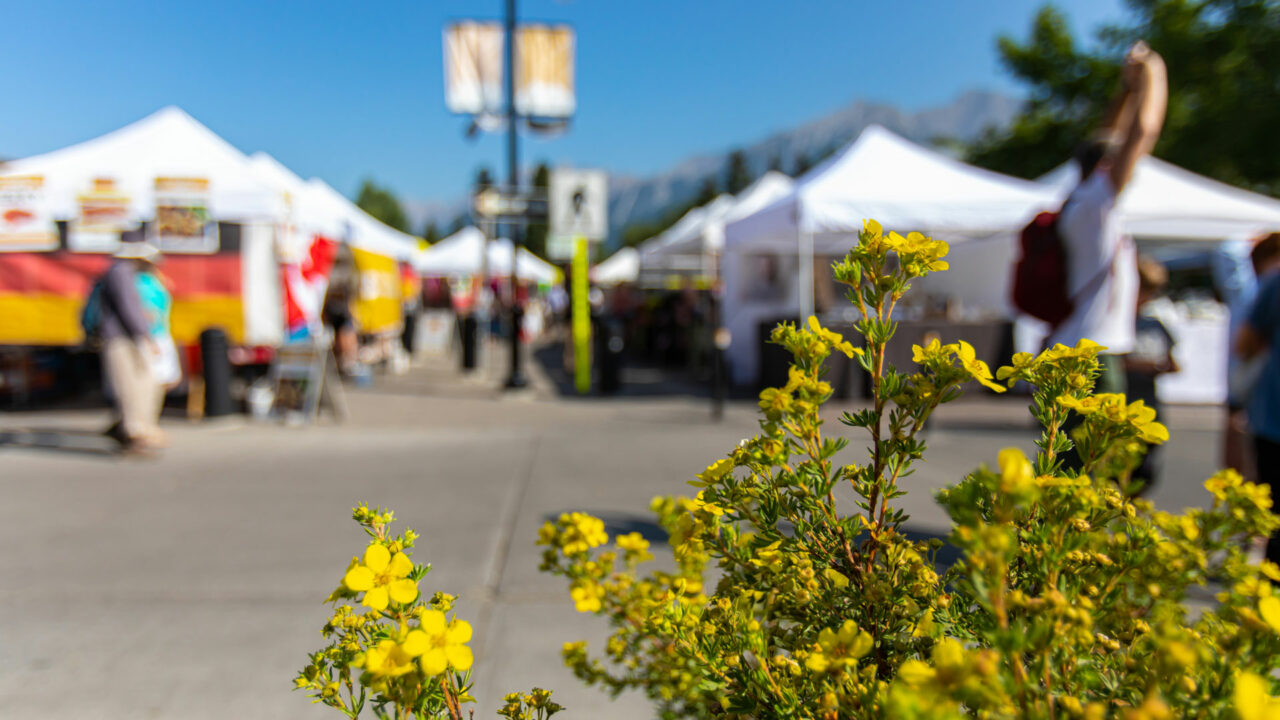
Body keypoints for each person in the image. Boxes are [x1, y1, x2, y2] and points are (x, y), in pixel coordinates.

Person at [1049, 41, 1168, 394]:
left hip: (1081, 343)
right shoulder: (1096, 200)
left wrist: (1127, 91)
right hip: (1093, 351)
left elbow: (1108, 136)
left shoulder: (1081, 200)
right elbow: (1143, 132)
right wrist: (1154, 70)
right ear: (1105, 167)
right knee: (1095, 448)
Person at [1236, 252, 1280, 569]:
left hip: (1273, 418)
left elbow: (1245, 344)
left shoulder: (1275, 282)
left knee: (1273, 518)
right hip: (1272, 417)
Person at [98, 242, 163, 452]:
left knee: (140, 383)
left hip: (127, 336)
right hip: (122, 337)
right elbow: (128, 306)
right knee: (131, 386)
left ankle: (132, 430)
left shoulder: (122, 272)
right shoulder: (121, 272)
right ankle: (134, 434)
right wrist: (145, 335)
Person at [1124, 256, 1178, 494]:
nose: (1145, 299)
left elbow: (1175, 363)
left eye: (1150, 293)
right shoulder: (1116, 323)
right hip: (1123, 403)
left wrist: (1161, 366)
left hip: (1150, 405)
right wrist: (1141, 366)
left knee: (1145, 470)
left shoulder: (1155, 324)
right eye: (1142, 292)